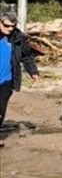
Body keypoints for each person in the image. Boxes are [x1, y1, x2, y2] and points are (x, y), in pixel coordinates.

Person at [0, 11, 41, 142]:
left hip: (6, 80)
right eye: (6, 26)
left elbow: (26, 56)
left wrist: (33, 71)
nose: (10, 29)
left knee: (1, 109)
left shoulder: (18, 38)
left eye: (13, 26)